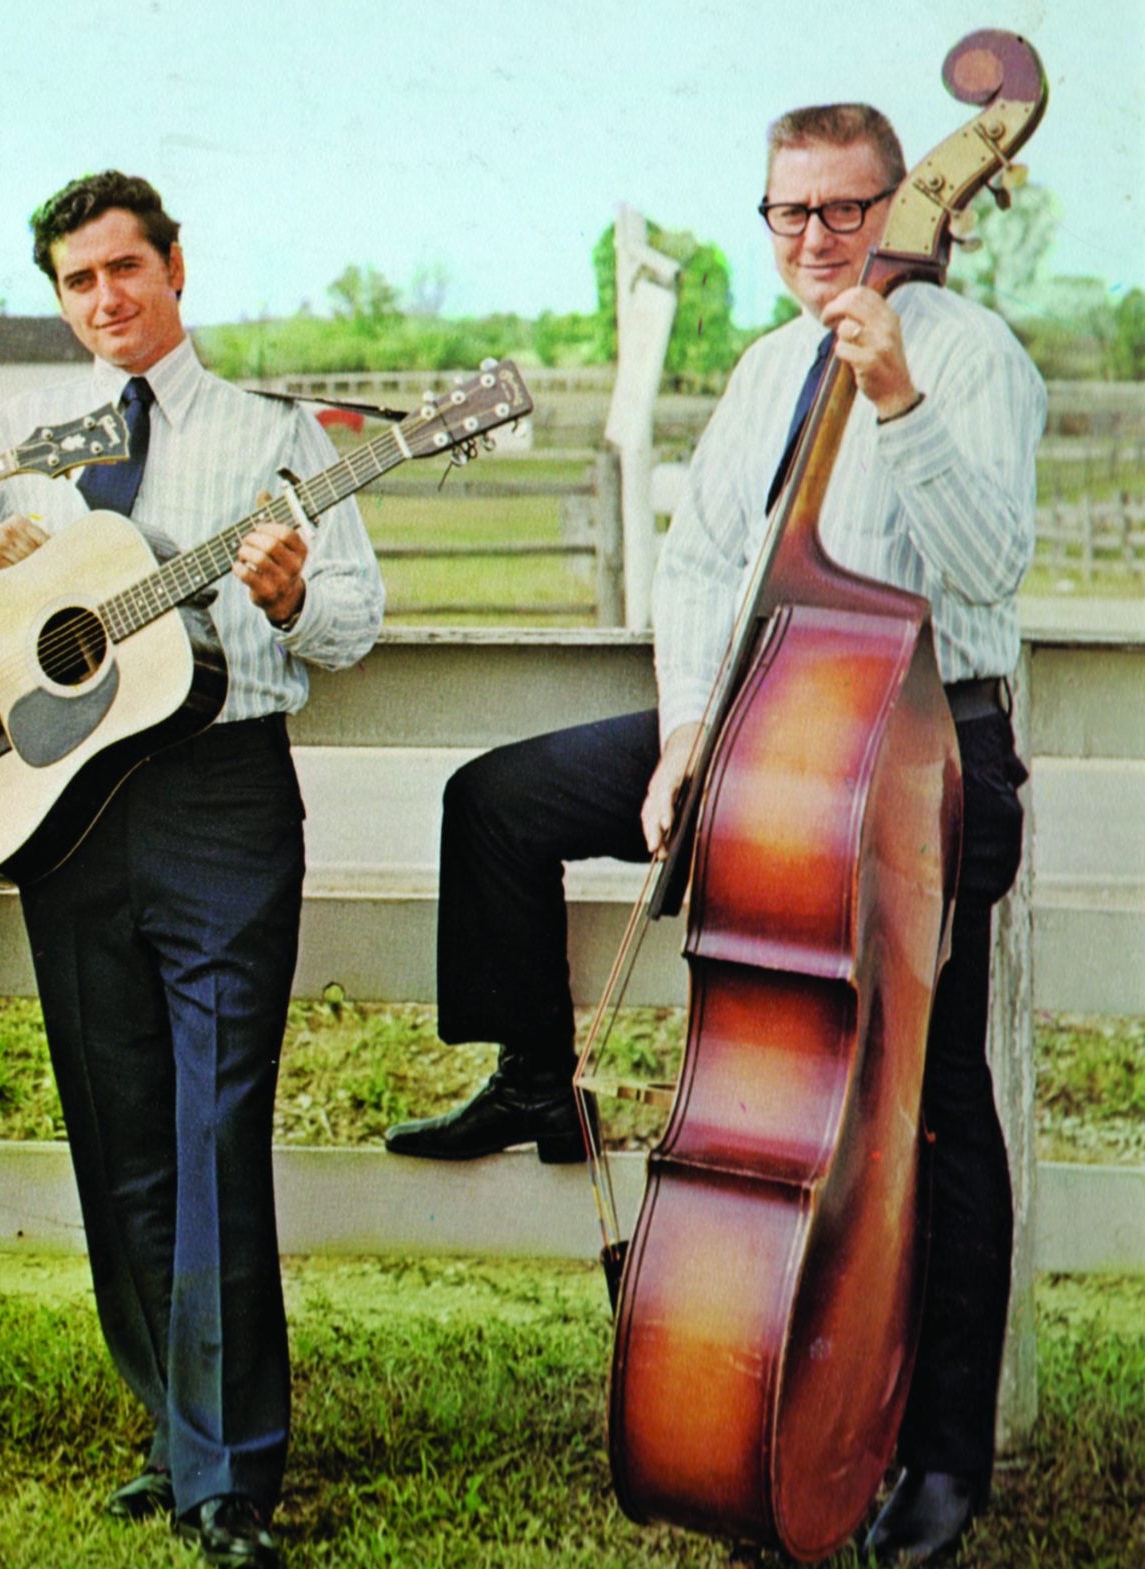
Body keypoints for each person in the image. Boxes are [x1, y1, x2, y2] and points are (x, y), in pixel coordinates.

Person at [382, 104, 1039, 1565]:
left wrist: (906, 404)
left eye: (847, 213)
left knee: (929, 1103)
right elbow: (697, 564)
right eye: (787, 214)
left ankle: (939, 1459)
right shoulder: (761, 367)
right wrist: (685, 727)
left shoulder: (974, 354)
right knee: (496, 800)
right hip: (763, 719)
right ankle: (535, 1077)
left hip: (925, 748)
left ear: (910, 210)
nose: (816, 242)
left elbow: (993, 563)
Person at [0, 171, 384, 1569]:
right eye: (78, 282)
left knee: (215, 1121)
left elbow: (353, 616)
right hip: (62, 809)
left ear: (178, 266)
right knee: (116, 1133)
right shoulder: (23, 434)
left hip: (217, 798)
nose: (107, 300)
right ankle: (174, 1430)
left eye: (127, 269)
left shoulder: (276, 437)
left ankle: (230, 1473)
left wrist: (290, 594)